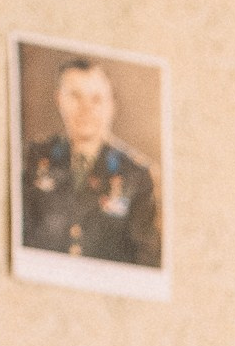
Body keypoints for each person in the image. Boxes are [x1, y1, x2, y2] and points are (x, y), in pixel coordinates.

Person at [21, 55, 161, 264]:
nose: (86, 109)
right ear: (59, 99)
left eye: (96, 99)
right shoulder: (33, 159)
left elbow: (147, 261)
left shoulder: (137, 175)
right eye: (75, 97)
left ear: (111, 105)